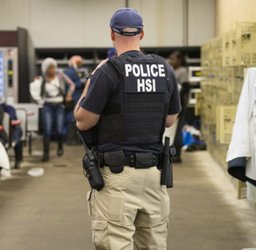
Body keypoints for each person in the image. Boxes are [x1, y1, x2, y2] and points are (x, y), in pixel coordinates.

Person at [74, 8, 181, 250]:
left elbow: (83, 121)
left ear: (112, 34)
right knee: (153, 244)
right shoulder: (164, 69)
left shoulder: (108, 71)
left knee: (116, 243)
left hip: (118, 176)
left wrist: (90, 81)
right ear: (142, 34)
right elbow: (170, 119)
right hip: (155, 175)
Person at [30, 57, 75, 161]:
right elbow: (35, 90)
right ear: (45, 69)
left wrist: (69, 95)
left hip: (59, 105)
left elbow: (72, 84)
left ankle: (60, 146)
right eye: (50, 68)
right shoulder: (42, 78)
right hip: (47, 106)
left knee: (59, 130)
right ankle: (46, 154)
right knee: (47, 130)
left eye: (53, 67)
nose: (52, 70)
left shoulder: (60, 76)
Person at [168, 51, 190, 163]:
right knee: (172, 131)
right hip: (172, 104)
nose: (171, 61)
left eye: (173, 59)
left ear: (179, 60)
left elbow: (185, 90)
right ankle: (172, 153)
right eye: (170, 58)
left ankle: (177, 154)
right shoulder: (171, 70)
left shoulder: (182, 71)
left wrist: (179, 107)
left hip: (180, 105)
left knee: (178, 131)